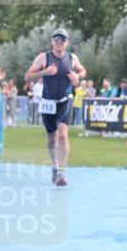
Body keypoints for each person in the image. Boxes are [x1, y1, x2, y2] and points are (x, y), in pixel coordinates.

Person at [25, 28, 87, 187]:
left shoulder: (72, 58)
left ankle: (62, 171)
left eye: (63, 40)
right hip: (47, 102)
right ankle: (54, 165)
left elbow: (82, 70)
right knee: (52, 137)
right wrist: (45, 72)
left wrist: (78, 77)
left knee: (63, 133)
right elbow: (28, 76)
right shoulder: (43, 57)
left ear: (68, 42)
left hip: (65, 101)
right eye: (56, 40)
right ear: (52, 41)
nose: (59, 43)